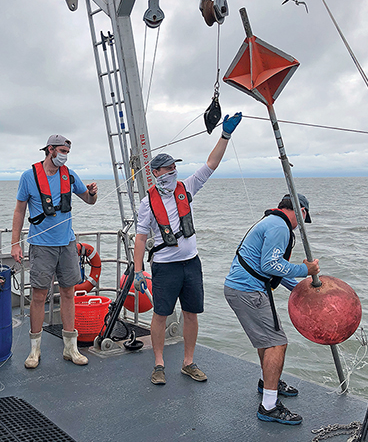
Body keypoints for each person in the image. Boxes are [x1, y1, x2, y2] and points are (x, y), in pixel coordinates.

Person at [133, 112, 243, 385]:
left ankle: (188, 362)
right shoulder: (147, 203)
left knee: (191, 313)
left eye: (174, 168)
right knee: (160, 314)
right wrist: (137, 271)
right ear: (155, 173)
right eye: (167, 169)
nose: (172, 172)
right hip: (165, 266)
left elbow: (211, 165)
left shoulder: (188, 187)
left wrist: (225, 135)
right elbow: (139, 237)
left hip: (191, 263)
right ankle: (159, 364)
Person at [224, 193, 320, 425]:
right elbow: (270, 264)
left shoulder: (272, 222)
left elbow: (272, 269)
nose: (299, 227)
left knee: (267, 341)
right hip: (248, 291)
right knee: (277, 342)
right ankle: (269, 406)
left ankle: (269, 383)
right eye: (302, 220)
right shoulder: (280, 227)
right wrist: (304, 269)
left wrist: (303, 289)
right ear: (301, 211)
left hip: (243, 288)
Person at [11, 134, 98, 369]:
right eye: (62, 151)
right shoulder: (28, 177)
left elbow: (89, 201)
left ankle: (71, 347)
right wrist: (15, 243)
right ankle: (34, 349)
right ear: (50, 150)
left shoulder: (69, 175)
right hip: (41, 245)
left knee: (69, 293)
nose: (64, 156)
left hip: (67, 244)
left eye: (67, 152)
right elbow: (19, 211)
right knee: (39, 295)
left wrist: (92, 192)